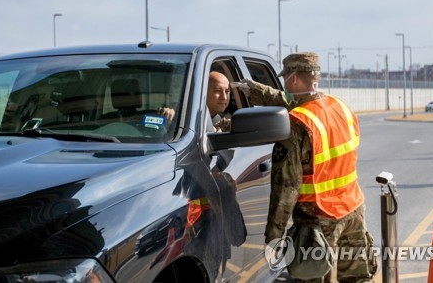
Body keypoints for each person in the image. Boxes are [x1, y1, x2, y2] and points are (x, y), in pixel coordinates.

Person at [239, 52, 376, 282]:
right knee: (357, 279)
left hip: (319, 220)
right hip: (353, 210)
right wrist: (255, 90)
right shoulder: (339, 107)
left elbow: (286, 188)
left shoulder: (296, 124)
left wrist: (274, 236)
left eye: (285, 80)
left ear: (292, 79)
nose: (283, 85)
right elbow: (295, 102)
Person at [158, 71, 232, 132]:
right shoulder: (180, 114)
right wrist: (168, 116)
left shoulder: (230, 123)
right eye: (217, 91)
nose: (224, 97)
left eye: (227, 91)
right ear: (202, 92)